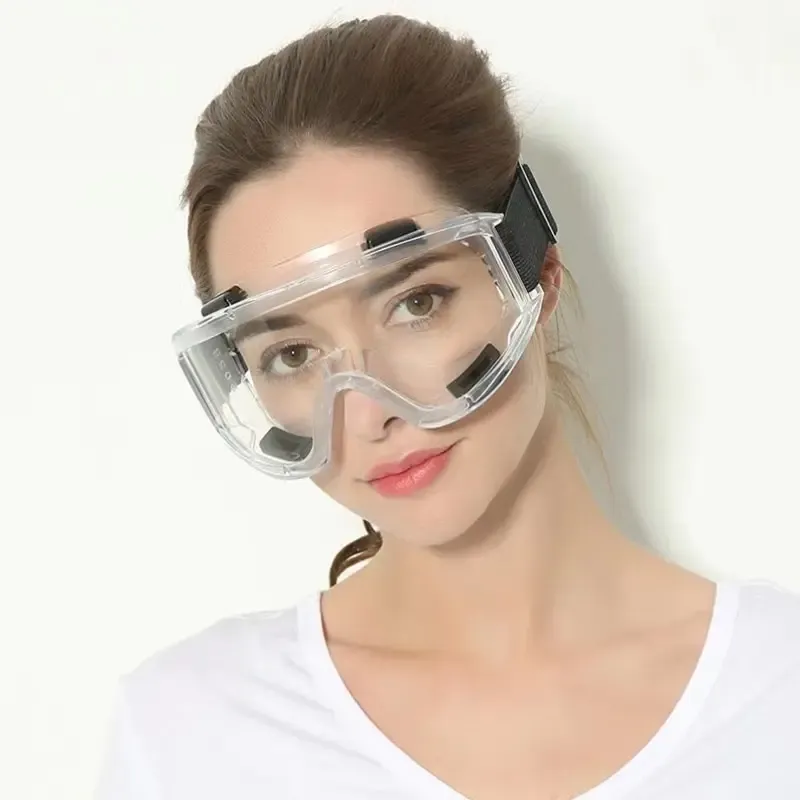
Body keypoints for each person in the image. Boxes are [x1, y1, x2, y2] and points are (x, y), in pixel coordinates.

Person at [97, 14, 800, 800]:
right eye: (292, 355)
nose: (368, 414)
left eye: (416, 303)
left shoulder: (780, 694)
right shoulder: (190, 735)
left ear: (536, 271)